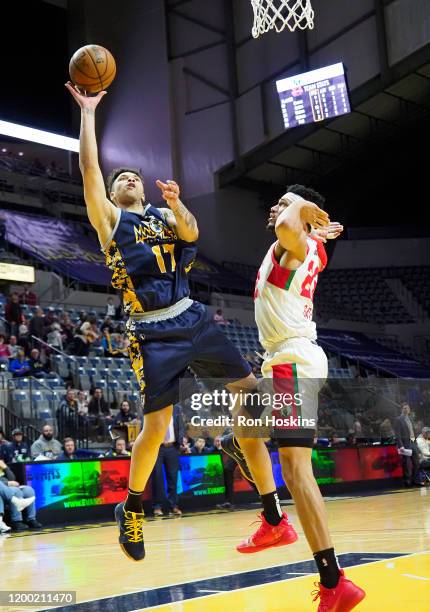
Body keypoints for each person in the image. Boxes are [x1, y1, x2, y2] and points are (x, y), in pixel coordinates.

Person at [66, 81, 255, 562]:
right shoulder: (110, 220)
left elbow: (192, 231)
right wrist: (88, 113)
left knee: (250, 391)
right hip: (151, 329)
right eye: (121, 177)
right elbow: (89, 167)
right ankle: (130, 508)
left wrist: (175, 204)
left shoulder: (162, 218)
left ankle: (235, 440)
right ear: (111, 193)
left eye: (135, 175)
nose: (129, 178)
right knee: (157, 428)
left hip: (191, 314)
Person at [222, 186, 365, 610]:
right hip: (280, 361)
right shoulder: (303, 243)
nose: (276, 208)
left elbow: (290, 226)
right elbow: (296, 228)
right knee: (242, 429)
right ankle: (273, 520)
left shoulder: (296, 242)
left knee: (297, 470)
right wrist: (318, 224)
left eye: (284, 201)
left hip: (294, 363)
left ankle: (334, 581)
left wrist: (304, 210)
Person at [152, 405, 185, 517]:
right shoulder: (153, 407)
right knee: (157, 477)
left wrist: (179, 443)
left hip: (172, 448)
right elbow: (146, 427)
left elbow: (181, 426)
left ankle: (174, 506)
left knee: (173, 477)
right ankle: (157, 506)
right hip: (157, 448)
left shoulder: (176, 409)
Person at [0, 459, 42, 530]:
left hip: (9, 488)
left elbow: (12, 478)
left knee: (29, 490)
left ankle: (31, 519)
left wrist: (5, 467)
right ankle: (17, 521)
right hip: (5, 488)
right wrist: (7, 483)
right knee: (16, 491)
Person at [395, 403, 425, 487]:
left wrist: (416, 442)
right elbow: (397, 434)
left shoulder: (411, 418)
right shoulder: (398, 419)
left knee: (416, 463)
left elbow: (413, 431)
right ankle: (407, 482)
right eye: (404, 408)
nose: (406, 409)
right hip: (405, 444)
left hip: (413, 443)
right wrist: (401, 446)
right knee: (407, 464)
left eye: (407, 408)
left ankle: (415, 480)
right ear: (402, 409)